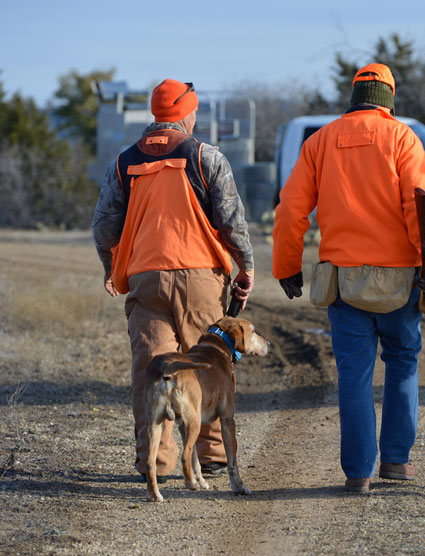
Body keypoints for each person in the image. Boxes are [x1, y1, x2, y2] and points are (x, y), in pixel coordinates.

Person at [271, 63, 425, 493]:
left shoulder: (321, 141)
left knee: (354, 375)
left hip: (343, 284)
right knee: (403, 363)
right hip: (401, 283)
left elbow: (291, 209)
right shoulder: (402, 138)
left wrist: (286, 266)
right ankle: (397, 462)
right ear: (389, 98)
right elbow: (420, 207)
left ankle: (358, 473)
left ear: (354, 96)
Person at [92, 79, 255, 482]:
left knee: (153, 369)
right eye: (194, 111)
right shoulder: (206, 157)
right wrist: (245, 266)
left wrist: (110, 267)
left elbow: (103, 229)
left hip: (147, 279)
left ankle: (157, 463)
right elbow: (232, 221)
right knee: (207, 362)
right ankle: (214, 455)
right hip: (202, 278)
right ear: (185, 113)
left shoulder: (125, 161)